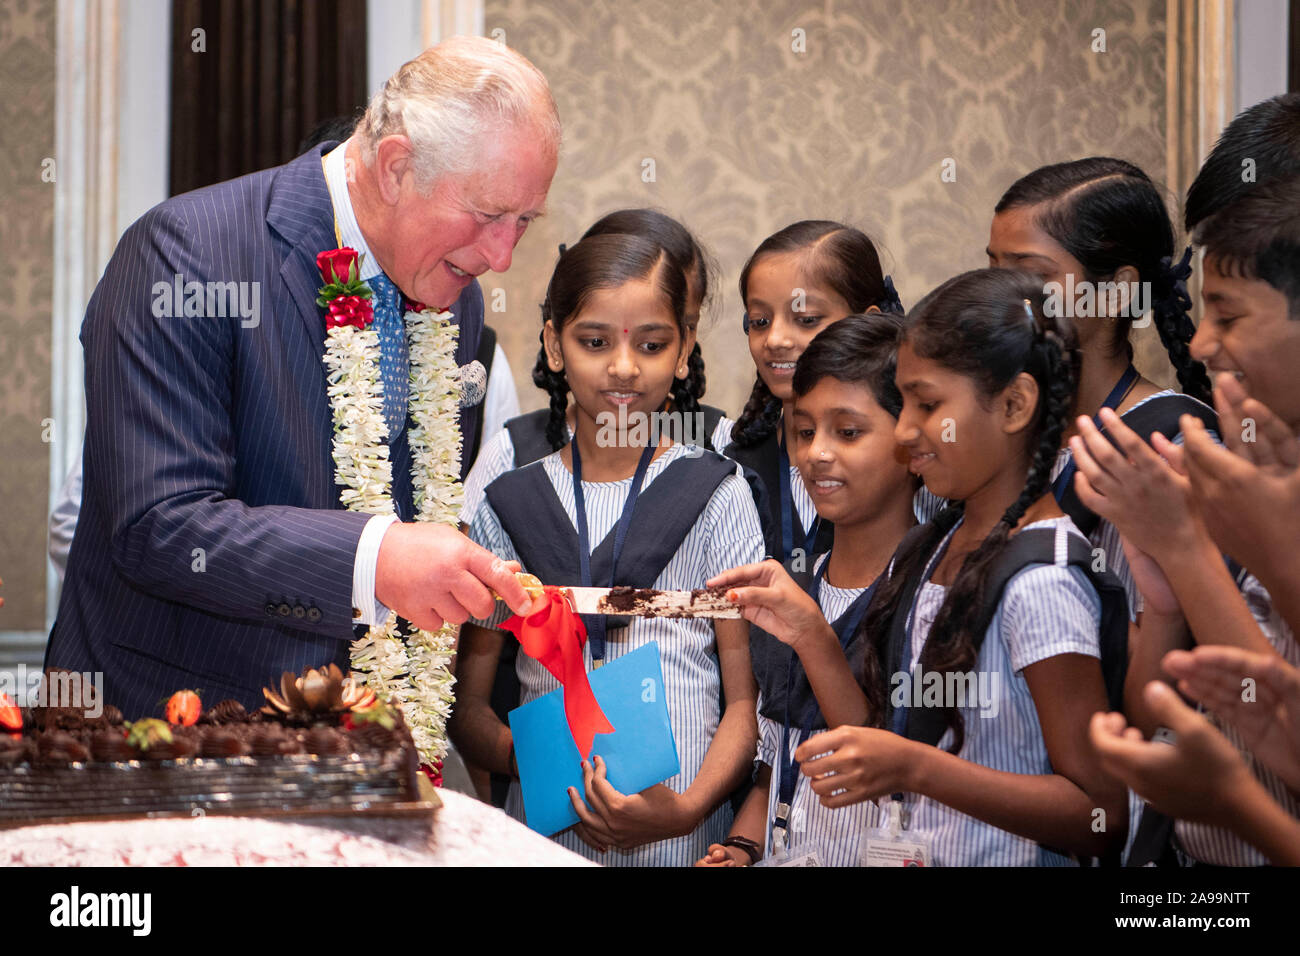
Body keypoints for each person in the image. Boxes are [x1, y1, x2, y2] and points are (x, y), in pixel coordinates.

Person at [43, 37, 553, 719]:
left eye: (523, 222)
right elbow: (157, 525)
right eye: (489, 215)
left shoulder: (452, 292)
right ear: (397, 166)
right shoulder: (186, 255)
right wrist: (375, 559)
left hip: (353, 742)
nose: (503, 257)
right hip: (166, 735)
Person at [788, 269, 1129, 865]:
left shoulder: (1041, 579)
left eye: (926, 404)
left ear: (1015, 404)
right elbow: (898, 740)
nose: (904, 430)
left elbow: (1098, 814)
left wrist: (920, 769)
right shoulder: (932, 545)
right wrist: (808, 633)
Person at [448, 232, 763, 865]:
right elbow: (468, 706)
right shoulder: (509, 505)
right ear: (552, 345)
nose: (623, 367)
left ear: (684, 353)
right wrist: (550, 759)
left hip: (681, 838)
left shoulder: (717, 493)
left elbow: (744, 702)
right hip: (545, 839)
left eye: (651, 344)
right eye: (595, 342)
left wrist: (688, 808)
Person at [1068, 174, 1300, 865]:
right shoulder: (1262, 458)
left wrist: (1187, 544)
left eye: (1228, 317)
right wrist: (1166, 601)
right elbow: (1161, 715)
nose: (1199, 345)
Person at [696, 314, 916, 866]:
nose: (816, 453)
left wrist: (814, 636)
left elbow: (883, 763)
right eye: (804, 430)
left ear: (914, 436)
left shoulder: (930, 585)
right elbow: (776, 761)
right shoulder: (796, 584)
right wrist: (744, 848)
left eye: (848, 432)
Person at [718, 220, 905, 568]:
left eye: (805, 319)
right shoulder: (732, 467)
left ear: (868, 322)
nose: (775, 340)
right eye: (760, 321)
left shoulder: (911, 461)